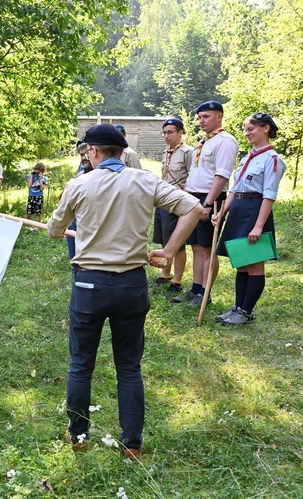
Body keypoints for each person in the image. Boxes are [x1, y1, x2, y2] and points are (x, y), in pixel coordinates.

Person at [46, 124, 202, 458]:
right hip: (131, 284)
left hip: (90, 284)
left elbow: (54, 230)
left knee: (81, 364)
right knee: (129, 367)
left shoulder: (79, 184)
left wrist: (66, 225)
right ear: (121, 152)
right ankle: (132, 443)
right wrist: (171, 250)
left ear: (95, 152)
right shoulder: (144, 180)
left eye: (88, 150)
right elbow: (193, 208)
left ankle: (78, 435)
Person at [211, 113, 286, 325]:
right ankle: (238, 307)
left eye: (252, 128)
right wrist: (222, 212)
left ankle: (246, 312)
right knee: (241, 263)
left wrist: (259, 226)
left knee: (253, 265)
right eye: (246, 129)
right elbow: (235, 190)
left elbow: (269, 195)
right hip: (239, 210)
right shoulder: (247, 158)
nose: (248, 133)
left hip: (254, 211)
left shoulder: (272, 160)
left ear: (266, 129)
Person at [172, 101, 239, 306]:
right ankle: (195, 289)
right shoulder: (204, 141)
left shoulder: (225, 141)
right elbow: (195, 172)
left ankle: (205, 293)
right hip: (193, 197)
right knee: (195, 246)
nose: (201, 121)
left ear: (219, 116)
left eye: (206, 116)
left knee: (207, 247)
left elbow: (221, 175)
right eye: (200, 117)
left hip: (210, 198)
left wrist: (208, 203)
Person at [151, 118, 194, 294]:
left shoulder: (188, 152)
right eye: (164, 132)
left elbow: (192, 177)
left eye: (170, 132)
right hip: (163, 201)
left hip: (178, 202)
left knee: (177, 243)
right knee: (164, 239)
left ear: (180, 132)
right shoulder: (166, 152)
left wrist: (185, 197)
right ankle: (165, 274)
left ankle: (177, 281)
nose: (166, 136)